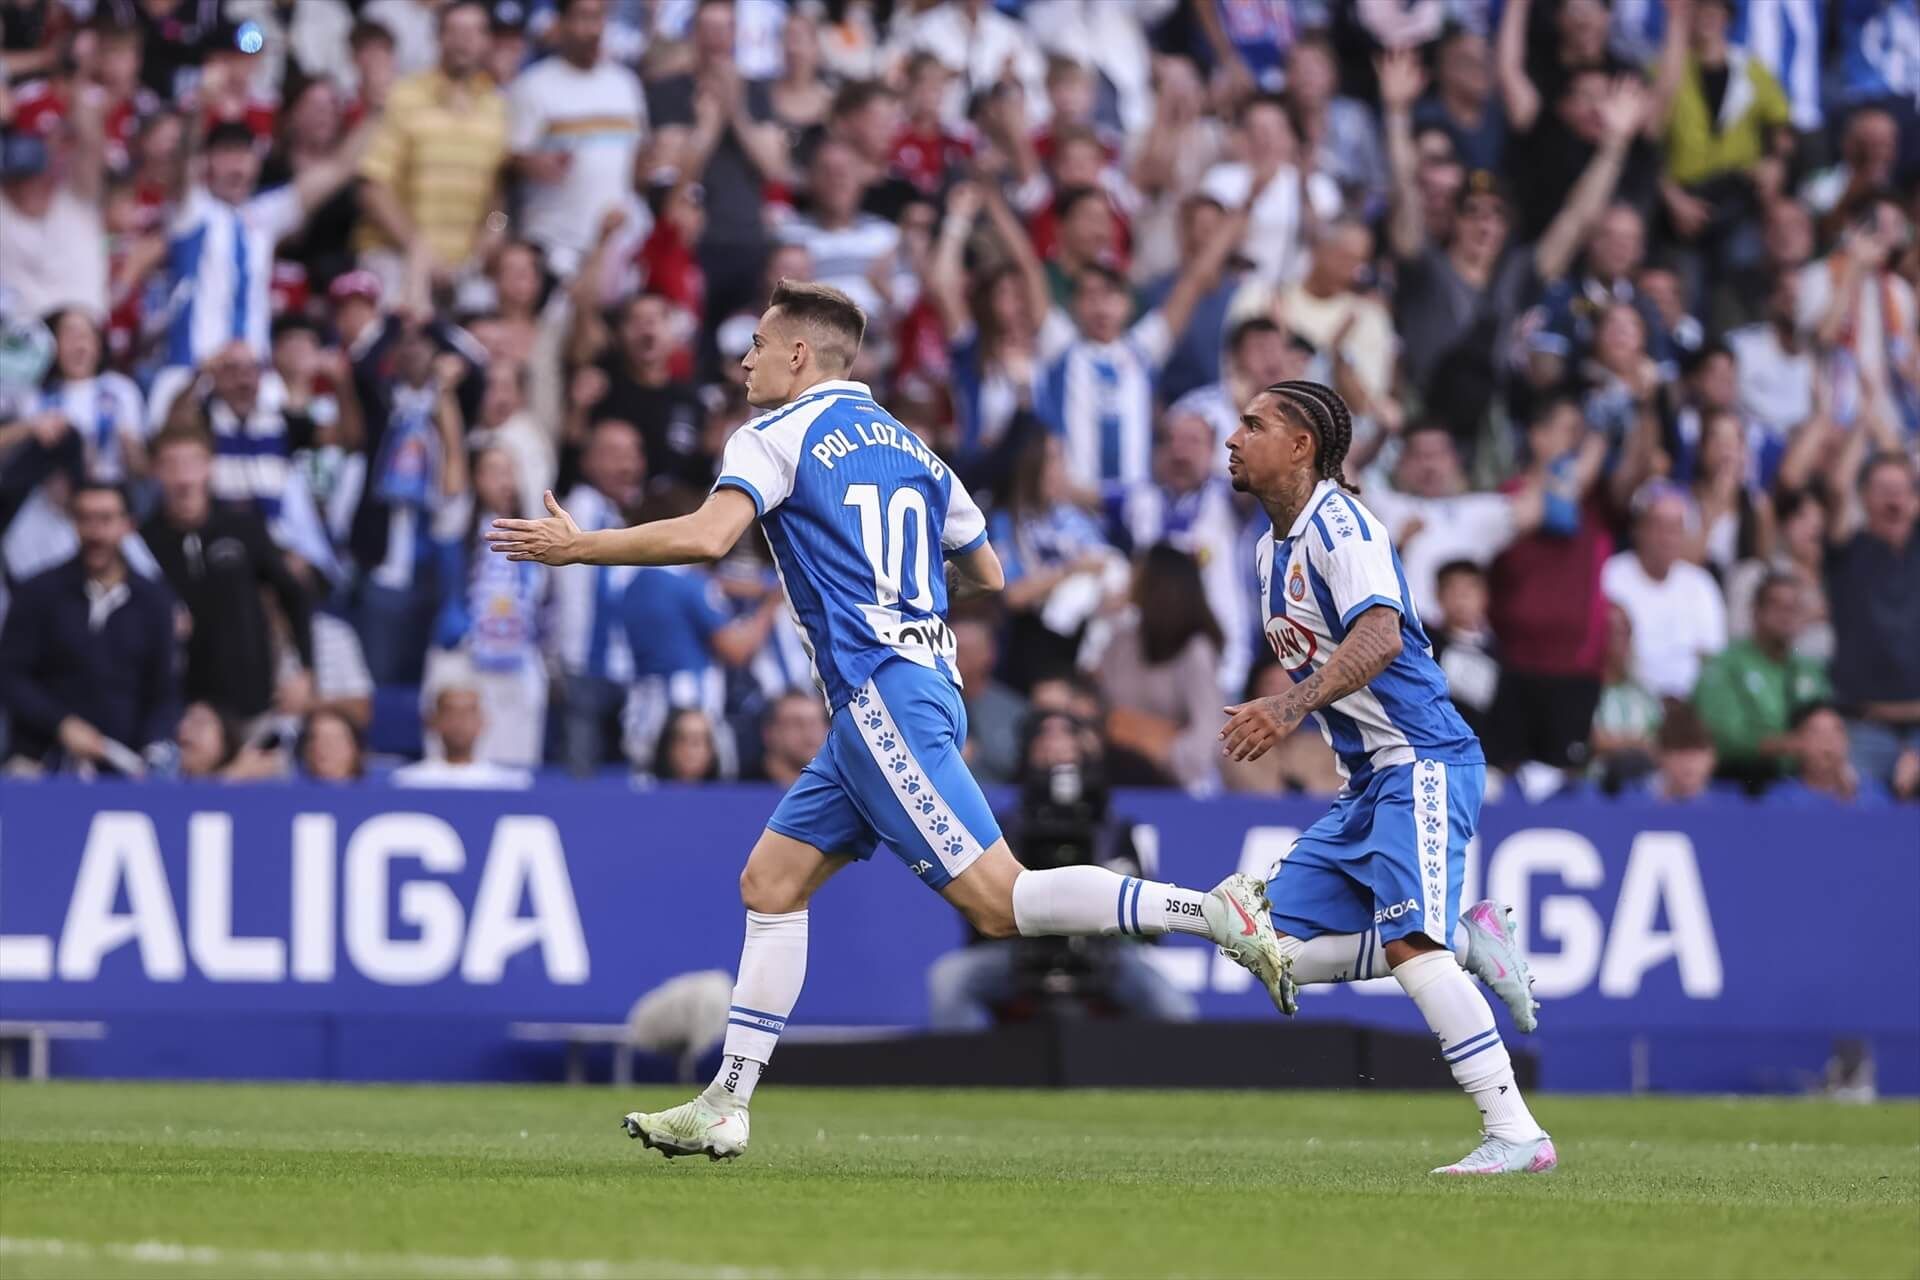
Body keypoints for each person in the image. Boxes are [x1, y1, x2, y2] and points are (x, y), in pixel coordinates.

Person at [488, 278, 1291, 1160]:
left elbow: (710, 537)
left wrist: (581, 546)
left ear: (800, 354)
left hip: (881, 694)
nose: (746, 361)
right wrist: (904, 594)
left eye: (758, 344)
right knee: (771, 883)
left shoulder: (775, 434)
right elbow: (987, 572)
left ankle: (1209, 911)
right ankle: (726, 1101)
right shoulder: (915, 448)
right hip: (910, 690)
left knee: (1000, 901)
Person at [1221, 379, 1551, 1176]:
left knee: (1410, 945)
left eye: (1253, 425)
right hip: (1367, 783)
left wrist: (1289, 707)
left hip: (1422, 758)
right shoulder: (1268, 549)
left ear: (1301, 447)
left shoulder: (1342, 524)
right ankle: (1466, 939)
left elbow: (1382, 637)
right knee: (1267, 945)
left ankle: (1515, 1131)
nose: (1233, 438)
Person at [141, 427, 315, 727]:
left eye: (192, 463)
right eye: (171, 465)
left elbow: (294, 594)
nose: (184, 477)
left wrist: (306, 670)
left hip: (249, 700)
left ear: (209, 466)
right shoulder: (142, 543)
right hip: (178, 708)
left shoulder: (243, 527)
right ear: (155, 471)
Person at [0, 483, 178, 775]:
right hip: (42, 756)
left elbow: (164, 691)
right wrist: (61, 724)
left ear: (128, 526)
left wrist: (151, 747)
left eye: (105, 519)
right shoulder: (38, 593)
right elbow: (10, 676)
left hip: (124, 761)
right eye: (85, 518)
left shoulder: (154, 602)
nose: (95, 532)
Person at [506, 0, 646, 278]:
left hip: (616, 248)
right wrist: (530, 164)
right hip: (553, 245)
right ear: (561, 24)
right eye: (583, 18)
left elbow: (638, 159)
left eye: (599, 18)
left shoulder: (626, 84)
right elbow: (510, 159)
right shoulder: (533, 86)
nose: (593, 30)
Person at [1090, 543, 1226, 792]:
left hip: (1174, 783)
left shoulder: (1195, 649)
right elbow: (1098, 706)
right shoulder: (1122, 639)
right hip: (1115, 768)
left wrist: (1160, 751)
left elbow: (1209, 732)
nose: (1130, 579)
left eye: (1137, 572)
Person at [1693, 572, 1831, 786]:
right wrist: (1791, 745)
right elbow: (1721, 735)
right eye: (1777, 606)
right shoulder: (1726, 665)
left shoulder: (1808, 669)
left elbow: (1829, 724)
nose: (1786, 616)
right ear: (1756, 611)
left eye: (1794, 608)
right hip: (1740, 783)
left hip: (1801, 784)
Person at [1601, 483, 1728, 701]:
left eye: (1675, 528)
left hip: (1689, 706)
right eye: (1658, 526)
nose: (1667, 538)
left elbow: (1713, 661)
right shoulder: (1610, 575)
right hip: (1627, 700)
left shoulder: (1701, 584)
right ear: (1637, 529)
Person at [391, 682, 534, 789]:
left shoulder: (509, 784)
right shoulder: (407, 781)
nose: (459, 722)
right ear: (433, 721)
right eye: (450, 713)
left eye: (468, 713)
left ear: (483, 721)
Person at [1768, 703, 1900, 808]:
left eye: (1837, 731)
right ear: (1797, 743)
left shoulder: (1873, 793)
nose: (1828, 741)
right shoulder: (1780, 799)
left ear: (1847, 741)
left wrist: (1850, 797)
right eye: (1816, 733)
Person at [752, 687, 828, 788]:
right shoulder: (744, 786)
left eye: (815, 724)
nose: (809, 733)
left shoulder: (839, 788)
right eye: (797, 724)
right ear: (769, 734)